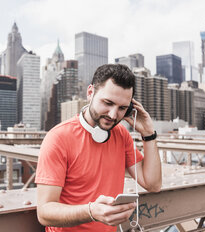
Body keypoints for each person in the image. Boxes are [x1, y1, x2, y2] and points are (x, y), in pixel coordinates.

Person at [35, 64, 162, 232]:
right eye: (107, 103)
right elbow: (44, 213)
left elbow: (153, 184)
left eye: (122, 108)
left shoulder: (121, 135)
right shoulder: (58, 138)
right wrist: (91, 211)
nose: (113, 115)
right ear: (90, 93)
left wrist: (148, 133)